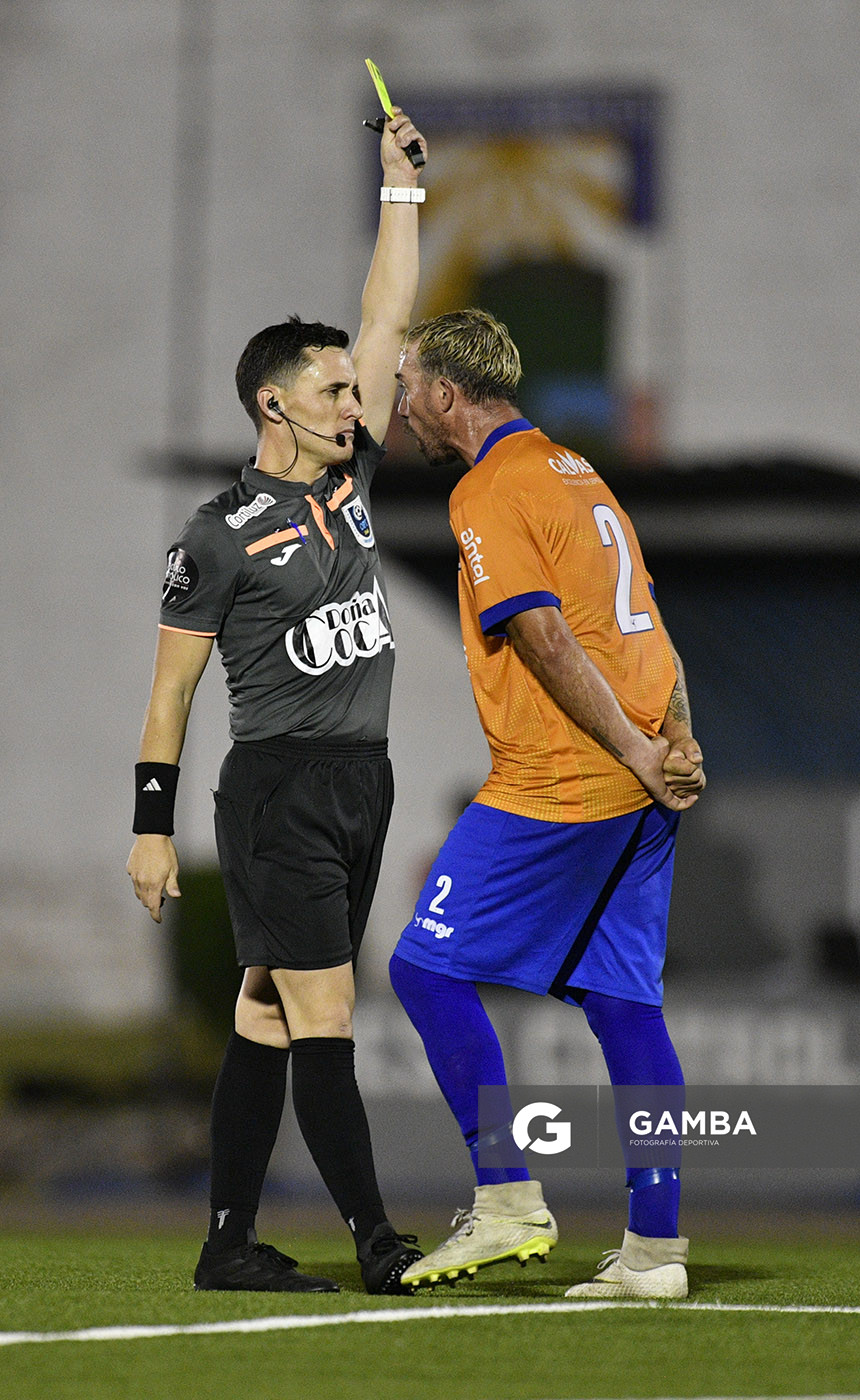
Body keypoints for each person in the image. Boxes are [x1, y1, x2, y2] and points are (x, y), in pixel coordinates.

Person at [126, 109, 428, 1295]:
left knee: (264, 1013)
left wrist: (399, 189)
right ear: (273, 407)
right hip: (281, 792)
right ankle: (377, 1237)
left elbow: (391, 314)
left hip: (365, 780)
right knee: (327, 1010)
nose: (358, 400)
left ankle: (226, 1240)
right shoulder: (216, 535)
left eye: (357, 388)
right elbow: (169, 696)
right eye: (336, 390)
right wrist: (152, 831)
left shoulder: (350, 484)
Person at [389, 309, 705, 1300]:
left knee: (423, 969)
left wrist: (631, 751)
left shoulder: (488, 488)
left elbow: (543, 635)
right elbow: (646, 619)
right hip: (643, 773)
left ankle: (506, 1192)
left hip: (564, 781)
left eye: (406, 385)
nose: (398, 404)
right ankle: (654, 1248)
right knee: (625, 1003)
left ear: (446, 392)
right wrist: (676, 740)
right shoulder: (576, 470)